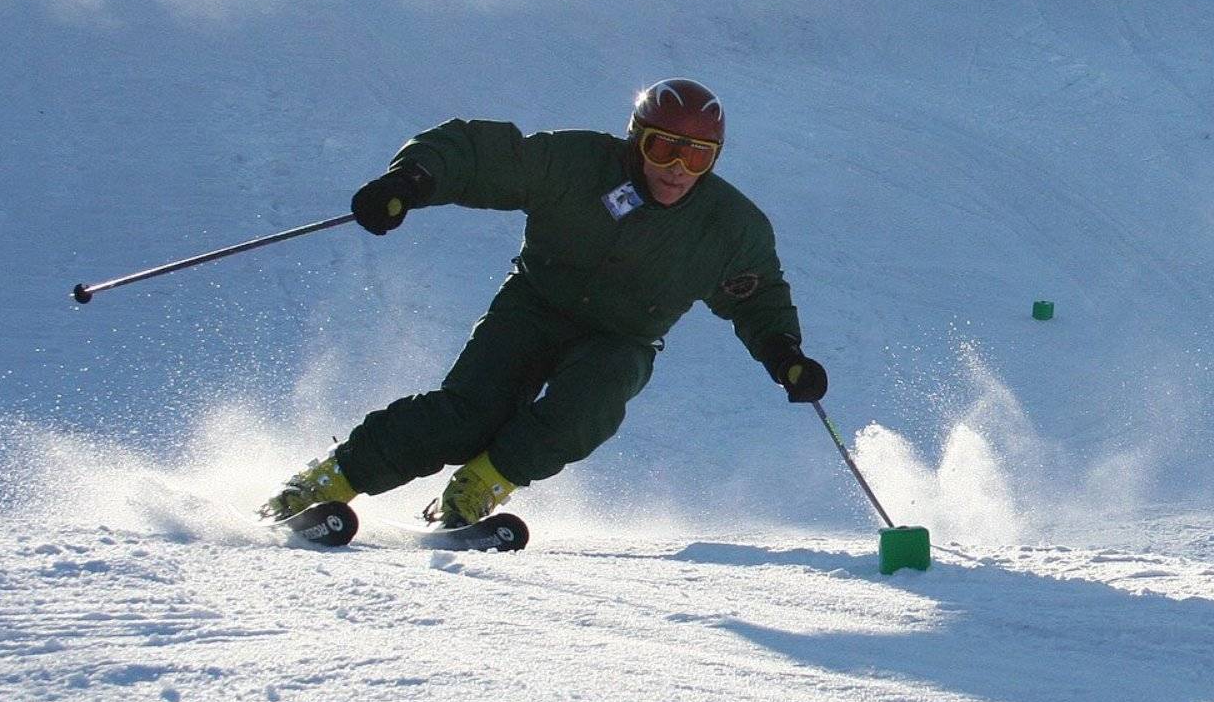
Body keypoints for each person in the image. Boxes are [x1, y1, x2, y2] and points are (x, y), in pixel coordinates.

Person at [260, 78, 828, 528]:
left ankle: (476, 489)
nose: (678, 169)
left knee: (590, 405)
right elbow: (484, 156)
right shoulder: (577, 163)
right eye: (664, 148)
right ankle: (329, 481)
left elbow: (758, 297)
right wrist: (411, 182)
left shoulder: (728, 226)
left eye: (698, 158)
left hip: (622, 337)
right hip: (533, 308)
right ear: (637, 139)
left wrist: (784, 355)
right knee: (466, 415)